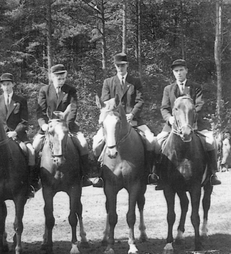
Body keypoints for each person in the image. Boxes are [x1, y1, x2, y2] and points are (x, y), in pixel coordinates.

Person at [92, 53, 157, 187]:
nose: (120, 68)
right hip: (112, 121)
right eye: (118, 66)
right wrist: (115, 114)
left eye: (123, 65)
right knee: (96, 143)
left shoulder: (135, 81)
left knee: (151, 140)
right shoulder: (108, 82)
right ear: (115, 66)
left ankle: (150, 172)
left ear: (127, 65)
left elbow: (140, 100)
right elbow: (105, 102)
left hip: (133, 120)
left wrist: (131, 114)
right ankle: (99, 174)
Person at [155, 59, 221, 188]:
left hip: (194, 124)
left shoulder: (196, 87)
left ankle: (212, 173)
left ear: (186, 71)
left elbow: (199, 105)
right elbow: (164, 107)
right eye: (176, 71)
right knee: (156, 142)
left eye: (181, 70)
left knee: (210, 141)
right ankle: (157, 174)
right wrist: (170, 118)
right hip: (173, 126)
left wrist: (189, 119)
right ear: (173, 73)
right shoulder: (168, 89)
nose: (179, 73)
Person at [32, 64, 93, 187]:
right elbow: (40, 111)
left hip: (67, 125)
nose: (61, 81)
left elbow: (73, 109)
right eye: (59, 78)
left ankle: (85, 175)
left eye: (63, 78)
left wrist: (67, 123)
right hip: (49, 126)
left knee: (83, 144)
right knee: (34, 147)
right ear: (52, 77)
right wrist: (43, 125)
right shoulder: (44, 90)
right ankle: (34, 179)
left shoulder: (71, 90)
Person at [0, 73, 39, 196]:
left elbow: (24, 120)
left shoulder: (20, 100)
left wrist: (15, 132)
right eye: (4, 84)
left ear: (13, 84)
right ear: (1, 86)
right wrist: (4, 131)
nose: (6, 87)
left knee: (31, 151)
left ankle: (31, 184)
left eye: (8, 84)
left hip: (17, 135)